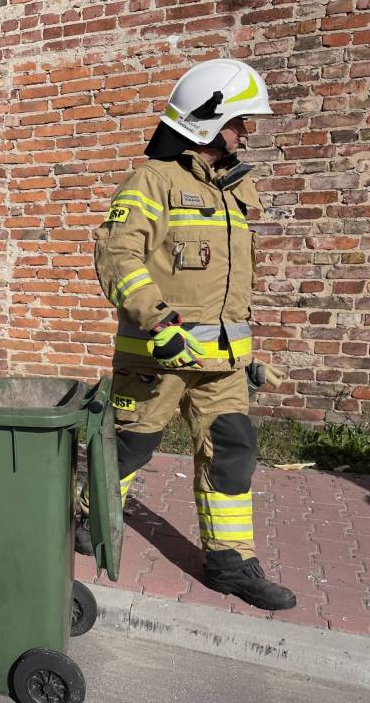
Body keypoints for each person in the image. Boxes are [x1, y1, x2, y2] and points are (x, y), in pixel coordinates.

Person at [78, 59, 296, 611]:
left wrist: (246, 358)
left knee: (232, 453)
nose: (244, 132)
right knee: (129, 448)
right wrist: (160, 324)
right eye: (238, 121)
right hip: (157, 359)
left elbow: (224, 287)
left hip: (221, 366)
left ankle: (230, 562)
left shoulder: (234, 192)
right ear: (208, 119)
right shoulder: (153, 181)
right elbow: (117, 254)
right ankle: (85, 519)